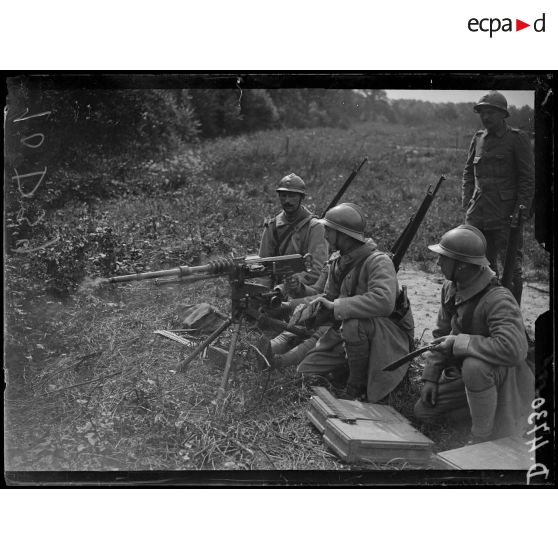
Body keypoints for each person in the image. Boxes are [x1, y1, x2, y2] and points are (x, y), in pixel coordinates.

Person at [414, 225, 534, 443]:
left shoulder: (498, 299)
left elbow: (515, 350)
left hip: (504, 377)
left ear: (461, 266)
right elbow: (441, 332)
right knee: (424, 412)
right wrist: (430, 377)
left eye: (444, 258)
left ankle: (480, 438)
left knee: (474, 365)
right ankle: (483, 409)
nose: (438, 263)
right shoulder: (451, 287)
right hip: (473, 377)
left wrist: (461, 342)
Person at [294, 203, 415, 402]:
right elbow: (330, 299)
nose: (325, 235)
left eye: (329, 231)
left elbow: (384, 302)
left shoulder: (378, 261)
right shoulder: (338, 261)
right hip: (348, 334)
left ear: (343, 235)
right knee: (305, 372)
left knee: (353, 324)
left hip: (387, 337)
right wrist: (311, 311)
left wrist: (337, 307)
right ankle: (349, 367)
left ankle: (356, 386)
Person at [462, 90, 535, 304]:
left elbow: (527, 179)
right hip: (478, 215)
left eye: (491, 112)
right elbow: (468, 172)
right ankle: (486, 314)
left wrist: (519, 212)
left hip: (506, 217)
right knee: (482, 266)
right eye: (482, 112)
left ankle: (512, 320)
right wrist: (467, 201)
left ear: (503, 114)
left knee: (511, 269)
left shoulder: (517, 139)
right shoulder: (478, 138)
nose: (486, 117)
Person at [259, 173, 328, 288]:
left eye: (292, 196)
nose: (287, 201)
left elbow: (317, 270)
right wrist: (263, 292)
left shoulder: (315, 227)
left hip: (305, 290)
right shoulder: (272, 226)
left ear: (302, 197)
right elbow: (263, 266)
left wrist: (288, 286)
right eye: (283, 195)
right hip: (275, 291)